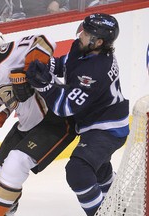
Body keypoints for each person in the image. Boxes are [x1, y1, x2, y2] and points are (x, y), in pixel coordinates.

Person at [0, 26, 76, 215]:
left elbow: (44, 41)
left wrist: (27, 73)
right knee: (1, 165)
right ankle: (7, 209)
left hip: (55, 118)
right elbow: (1, 101)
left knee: (15, 163)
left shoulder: (13, 54)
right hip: (28, 122)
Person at [24, 13, 129, 216]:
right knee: (99, 170)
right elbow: (67, 65)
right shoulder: (83, 49)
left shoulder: (96, 70)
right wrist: (45, 66)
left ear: (98, 42)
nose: (81, 34)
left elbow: (65, 107)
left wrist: (45, 85)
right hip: (96, 124)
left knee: (78, 171)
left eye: (86, 33)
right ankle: (120, 209)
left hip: (107, 129)